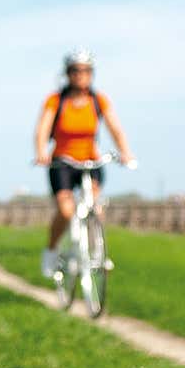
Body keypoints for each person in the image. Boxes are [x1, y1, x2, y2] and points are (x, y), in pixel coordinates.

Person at [33, 49, 134, 278]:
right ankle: (51, 250)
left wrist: (125, 152)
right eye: (76, 70)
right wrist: (41, 152)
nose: (81, 75)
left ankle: (96, 252)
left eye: (86, 70)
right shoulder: (56, 100)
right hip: (63, 162)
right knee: (67, 210)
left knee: (95, 207)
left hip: (91, 160)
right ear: (68, 73)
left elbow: (115, 128)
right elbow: (42, 130)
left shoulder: (98, 100)